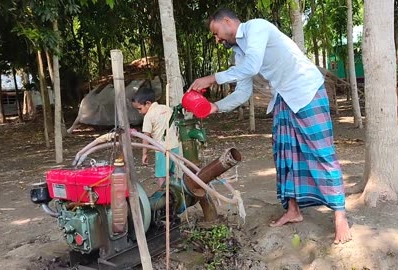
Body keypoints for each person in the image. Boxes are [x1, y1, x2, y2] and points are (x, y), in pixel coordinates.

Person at [188, 8, 352, 244]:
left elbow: (253, 66)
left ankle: (340, 216)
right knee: (284, 155)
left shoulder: (257, 27)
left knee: (322, 152)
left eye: (216, 32)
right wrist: (215, 107)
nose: (217, 39)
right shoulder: (238, 54)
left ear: (227, 22)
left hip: (307, 90)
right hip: (284, 97)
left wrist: (212, 78)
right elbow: (243, 91)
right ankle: (293, 210)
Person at [132, 86, 180, 188]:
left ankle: (165, 196)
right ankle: (175, 193)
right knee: (171, 174)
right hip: (175, 147)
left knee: (161, 176)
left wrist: (144, 154)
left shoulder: (149, 116)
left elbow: (146, 137)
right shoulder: (167, 108)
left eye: (139, 109)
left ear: (148, 103)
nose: (139, 112)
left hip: (163, 149)